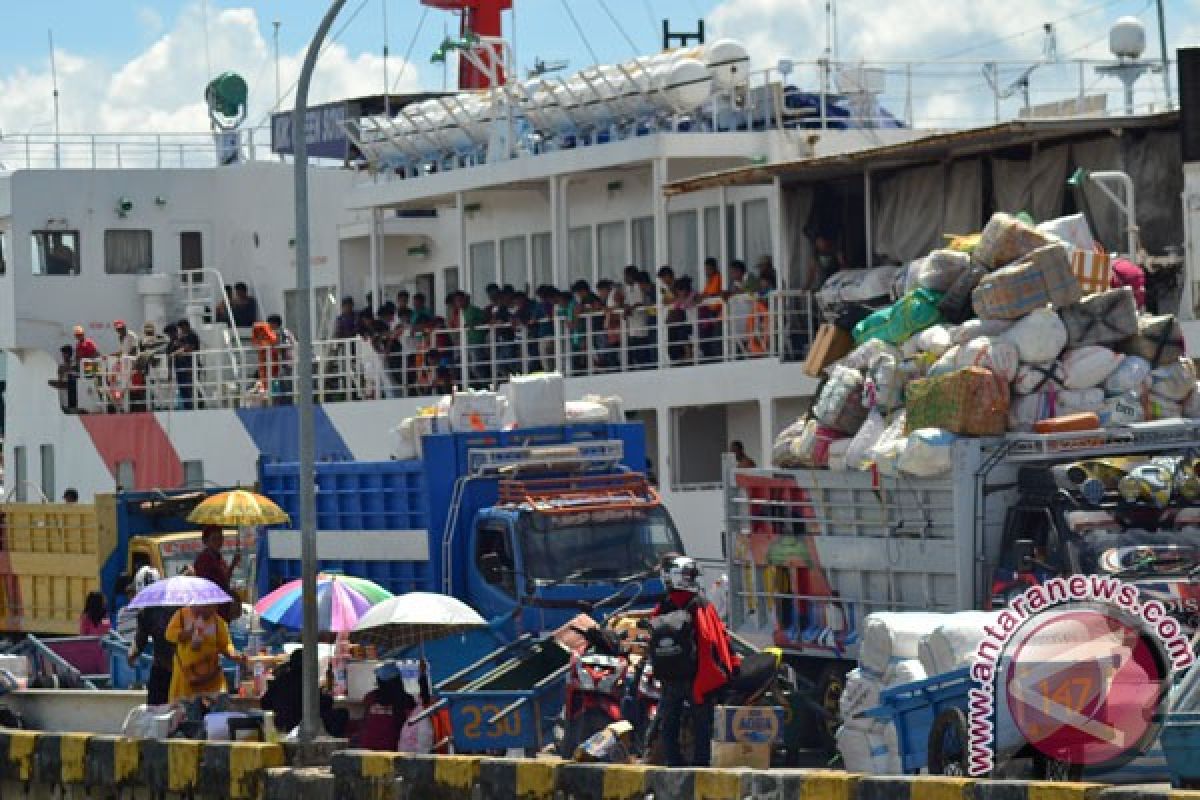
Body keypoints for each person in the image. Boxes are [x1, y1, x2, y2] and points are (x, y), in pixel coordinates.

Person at [651, 555, 735, 767]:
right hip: (696, 678)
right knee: (702, 727)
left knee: (669, 723)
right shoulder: (699, 604)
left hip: (670, 678)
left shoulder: (663, 605)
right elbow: (711, 640)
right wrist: (726, 668)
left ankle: (673, 764)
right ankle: (700, 766)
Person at [164, 603, 244, 702]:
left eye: (210, 607)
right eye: (202, 606)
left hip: (211, 679)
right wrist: (189, 633)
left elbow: (225, 645)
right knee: (184, 711)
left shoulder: (218, 622)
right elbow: (169, 635)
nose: (205, 610)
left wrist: (235, 655)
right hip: (186, 678)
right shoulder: (181, 615)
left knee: (214, 711)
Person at [127, 567, 178, 706]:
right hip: (182, 668)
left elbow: (139, 643)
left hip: (162, 670)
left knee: (156, 712)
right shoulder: (176, 605)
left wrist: (131, 656)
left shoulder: (145, 613)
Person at [356, 661, 415, 751]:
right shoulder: (407, 700)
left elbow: (365, 722)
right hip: (393, 748)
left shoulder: (370, 697)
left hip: (367, 748)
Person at [193, 525, 241, 622]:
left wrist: (233, 565)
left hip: (223, 608)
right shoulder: (204, 560)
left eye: (220, 538)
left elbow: (225, 580)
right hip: (211, 608)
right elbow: (207, 585)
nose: (218, 542)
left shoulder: (219, 558)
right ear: (205, 541)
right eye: (214, 539)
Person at [170, 319, 201, 410]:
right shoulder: (183, 337)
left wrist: (176, 352)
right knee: (184, 390)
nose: (180, 330)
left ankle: (195, 406)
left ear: (185, 326)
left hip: (191, 367)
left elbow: (189, 348)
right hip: (184, 368)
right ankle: (188, 407)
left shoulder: (192, 335)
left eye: (181, 328)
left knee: (191, 389)